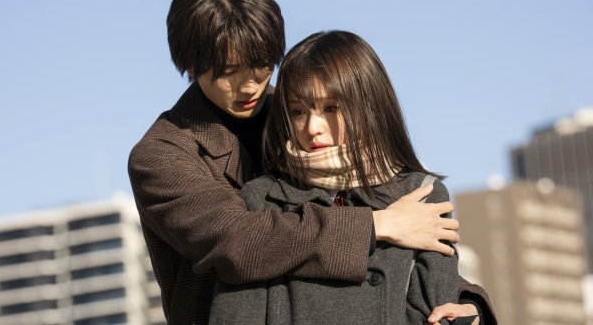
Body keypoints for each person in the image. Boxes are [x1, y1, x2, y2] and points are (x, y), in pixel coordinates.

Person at [128, 0, 494, 324]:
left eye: (261, 64)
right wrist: (375, 224)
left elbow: (399, 238)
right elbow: (236, 242)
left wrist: (466, 303)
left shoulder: (298, 111)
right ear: (192, 65)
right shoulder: (161, 155)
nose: (249, 85)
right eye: (228, 71)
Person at [209, 30, 494, 325]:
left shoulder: (422, 194)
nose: (312, 127)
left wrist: (471, 311)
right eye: (297, 111)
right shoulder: (263, 198)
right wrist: (377, 226)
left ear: (369, 105)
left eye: (330, 108)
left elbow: (438, 310)